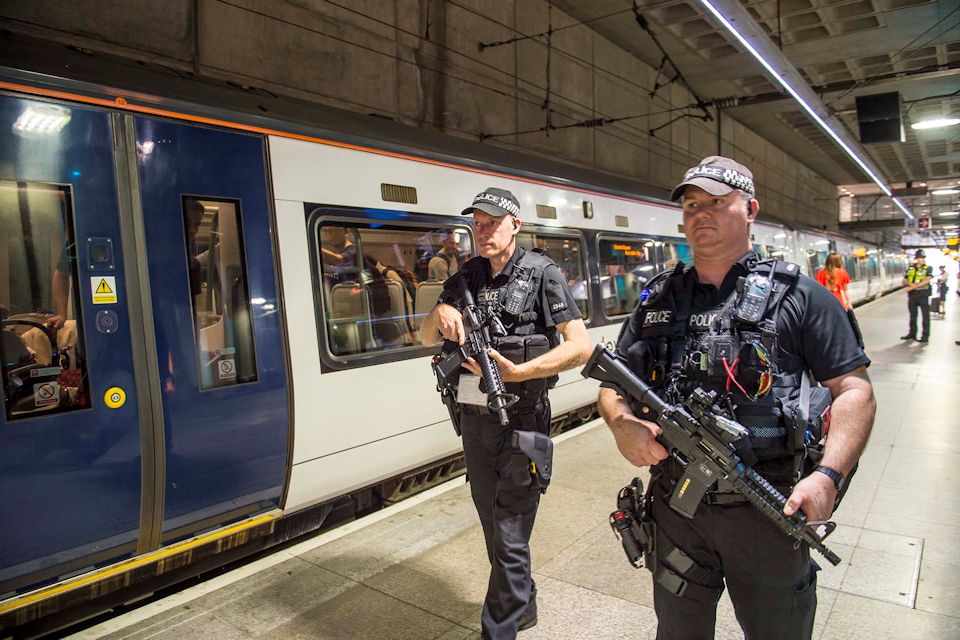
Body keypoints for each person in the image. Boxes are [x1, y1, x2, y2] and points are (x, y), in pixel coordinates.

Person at [598, 156, 876, 640]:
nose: (701, 213)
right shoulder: (658, 298)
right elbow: (612, 383)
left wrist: (828, 477)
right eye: (691, 204)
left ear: (750, 209)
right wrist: (621, 423)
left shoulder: (800, 297)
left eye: (717, 203)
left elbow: (854, 390)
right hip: (676, 505)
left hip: (770, 508)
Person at [421, 187, 592, 640]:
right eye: (477, 223)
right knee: (492, 528)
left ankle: (499, 631)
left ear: (515, 224)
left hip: (522, 420)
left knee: (511, 533)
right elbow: (421, 337)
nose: (483, 231)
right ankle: (525, 605)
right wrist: (439, 310)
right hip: (475, 423)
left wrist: (520, 372)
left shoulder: (542, 274)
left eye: (492, 222)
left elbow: (581, 345)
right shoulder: (467, 276)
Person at [901, 249, 933, 342]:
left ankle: (925, 336)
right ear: (916, 259)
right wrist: (911, 285)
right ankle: (912, 334)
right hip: (912, 296)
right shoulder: (910, 269)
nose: (920, 260)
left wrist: (912, 287)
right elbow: (904, 281)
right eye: (919, 258)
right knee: (913, 316)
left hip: (923, 296)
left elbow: (927, 280)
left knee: (925, 317)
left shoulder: (928, 268)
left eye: (922, 258)